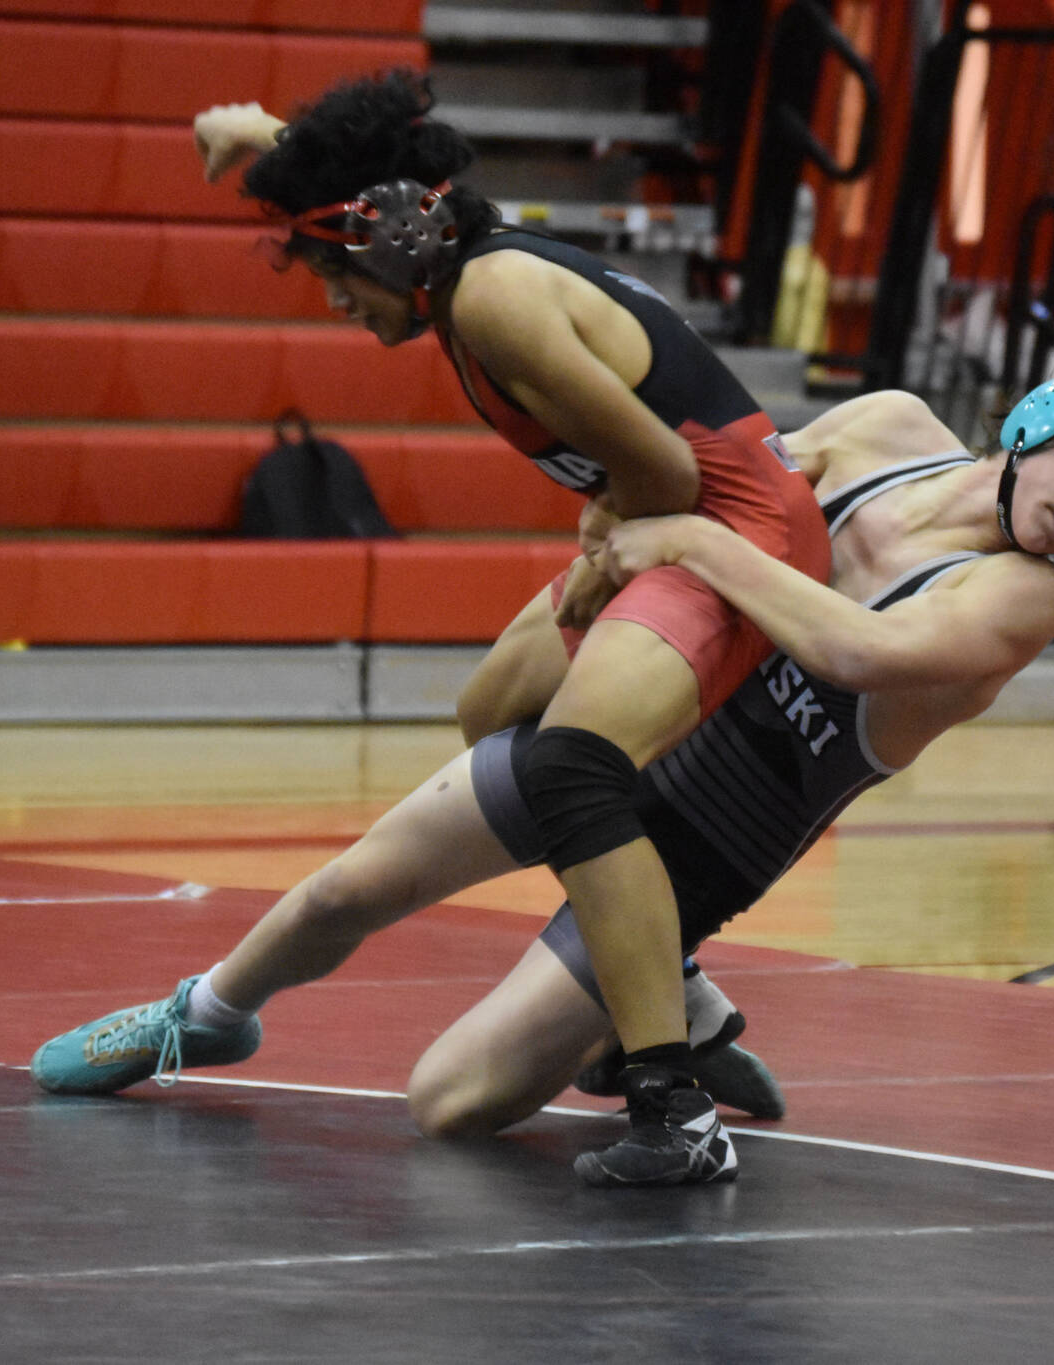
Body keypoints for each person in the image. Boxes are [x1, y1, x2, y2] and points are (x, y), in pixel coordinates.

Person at [31, 359, 1054, 1184]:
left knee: (446, 1103)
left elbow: (855, 646)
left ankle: (662, 992)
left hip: (714, 827)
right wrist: (629, 524)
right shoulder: (884, 427)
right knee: (351, 887)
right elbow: (727, 494)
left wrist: (696, 541)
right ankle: (201, 1017)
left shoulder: (1020, 596)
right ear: (1039, 419)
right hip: (633, 728)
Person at [192, 70, 832, 1183]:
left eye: (336, 279)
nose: (335, 304)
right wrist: (255, 134)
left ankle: (669, 1105)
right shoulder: (453, 259)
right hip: (677, 517)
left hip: (731, 535)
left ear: (386, 241)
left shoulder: (491, 298)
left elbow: (665, 471)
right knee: (490, 715)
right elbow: (372, 168)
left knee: (571, 770)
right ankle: (659, 978)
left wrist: (599, 557)